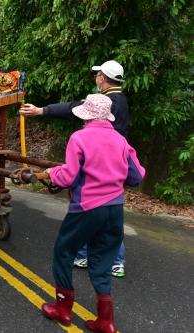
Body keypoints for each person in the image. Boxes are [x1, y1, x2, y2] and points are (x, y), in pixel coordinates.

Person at [40, 94, 145, 333]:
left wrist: (52, 173)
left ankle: (63, 309)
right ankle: (105, 321)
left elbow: (67, 177)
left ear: (86, 116)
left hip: (87, 208)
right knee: (103, 259)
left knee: (64, 252)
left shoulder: (79, 138)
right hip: (114, 209)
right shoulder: (120, 140)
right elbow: (136, 176)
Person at [21, 60, 129, 277]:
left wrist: (43, 111)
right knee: (107, 220)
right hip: (112, 172)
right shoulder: (119, 101)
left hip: (95, 171)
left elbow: (72, 110)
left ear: (102, 77)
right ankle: (98, 258)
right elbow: (136, 171)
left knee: (85, 214)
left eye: (97, 74)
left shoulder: (93, 122)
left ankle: (99, 259)